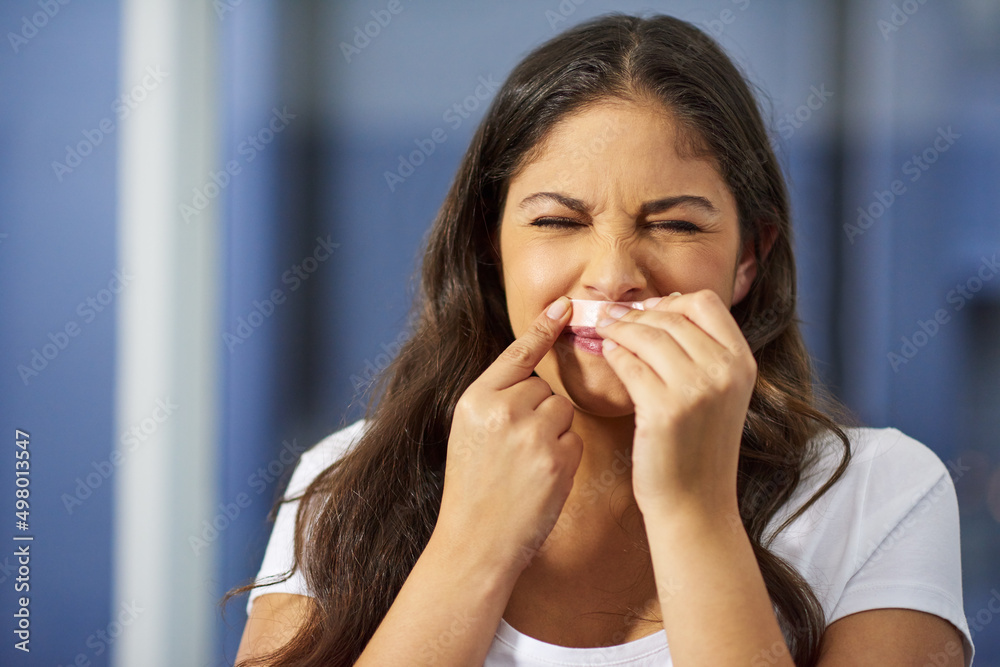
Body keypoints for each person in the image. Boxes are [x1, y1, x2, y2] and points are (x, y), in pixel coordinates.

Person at [230, 13, 974, 667]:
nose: (614, 277)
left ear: (750, 258)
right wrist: (469, 544)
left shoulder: (884, 493)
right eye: (558, 221)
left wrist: (694, 507)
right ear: (491, 248)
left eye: (676, 224)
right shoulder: (345, 479)